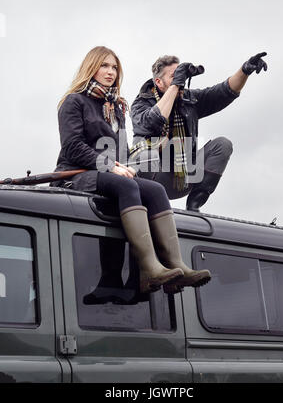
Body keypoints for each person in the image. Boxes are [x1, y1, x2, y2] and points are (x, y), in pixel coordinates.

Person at [50, 46, 211, 297]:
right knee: (126, 186)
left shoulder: (117, 108)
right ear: (91, 67)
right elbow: (72, 147)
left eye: (114, 67)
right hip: (76, 174)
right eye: (104, 65)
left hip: (109, 174)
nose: (110, 71)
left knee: (155, 190)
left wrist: (127, 164)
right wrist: (111, 166)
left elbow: (120, 149)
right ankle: (150, 267)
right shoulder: (74, 101)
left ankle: (174, 265)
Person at [130, 52, 268, 212]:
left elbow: (223, 92)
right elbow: (152, 121)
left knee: (222, 144)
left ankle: (194, 205)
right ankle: (147, 204)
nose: (180, 82)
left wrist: (244, 71)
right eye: (174, 77)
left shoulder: (189, 99)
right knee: (146, 154)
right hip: (151, 178)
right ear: (159, 82)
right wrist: (176, 85)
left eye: (181, 76)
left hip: (182, 178)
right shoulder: (140, 103)